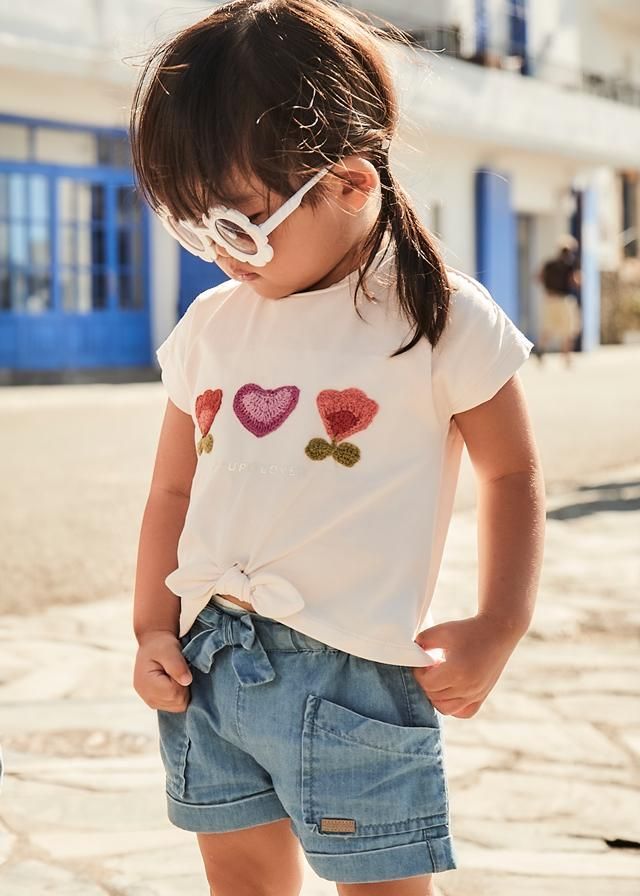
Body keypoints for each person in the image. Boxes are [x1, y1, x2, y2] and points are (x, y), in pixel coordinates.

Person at [130, 2, 546, 894]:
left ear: (351, 184)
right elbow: (171, 493)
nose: (221, 255)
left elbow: (511, 472)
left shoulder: (437, 317)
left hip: (357, 674)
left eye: (239, 226)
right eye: (192, 228)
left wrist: (498, 622)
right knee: (239, 878)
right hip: (211, 664)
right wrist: (149, 627)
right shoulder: (211, 325)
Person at [536, 235, 582, 367]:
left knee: (549, 327)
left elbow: (538, 277)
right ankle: (566, 356)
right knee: (569, 328)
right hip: (564, 299)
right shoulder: (571, 265)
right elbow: (575, 281)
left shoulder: (549, 264)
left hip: (550, 299)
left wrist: (548, 287)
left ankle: (541, 349)